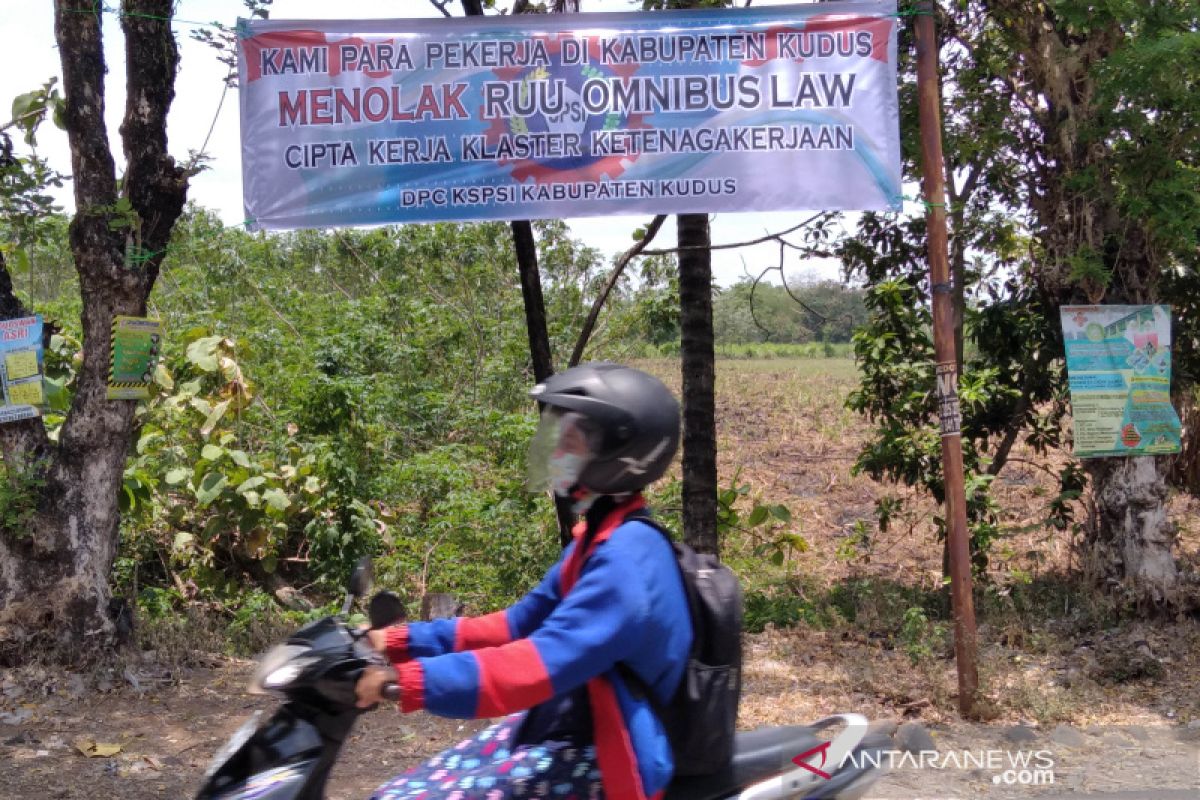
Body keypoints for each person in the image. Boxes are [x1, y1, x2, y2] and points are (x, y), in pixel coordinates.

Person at [356, 362, 691, 800]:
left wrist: (401, 682)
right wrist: (395, 641)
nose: (555, 455)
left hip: (610, 756)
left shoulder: (625, 563)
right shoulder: (600, 537)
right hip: (575, 721)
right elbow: (515, 626)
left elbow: (531, 669)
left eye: (569, 442)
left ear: (619, 456)